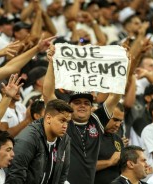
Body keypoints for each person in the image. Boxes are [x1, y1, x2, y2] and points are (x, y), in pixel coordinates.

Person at [42, 45, 123, 184]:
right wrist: (51, 63)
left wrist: (122, 67)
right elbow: (47, 94)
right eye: (77, 102)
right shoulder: (63, 120)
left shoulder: (97, 120)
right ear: (70, 105)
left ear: (92, 107)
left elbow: (115, 96)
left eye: (86, 103)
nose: (82, 106)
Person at [5, 99, 74, 184]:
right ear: (48, 118)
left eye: (67, 122)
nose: (65, 126)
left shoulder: (65, 139)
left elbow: (62, 176)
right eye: (62, 121)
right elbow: (15, 176)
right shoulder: (28, 138)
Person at [95, 103, 125, 184]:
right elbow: (82, 166)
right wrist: (110, 162)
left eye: (120, 121)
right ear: (104, 116)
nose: (118, 125)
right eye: (115, 120)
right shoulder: (91, 136)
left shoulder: (118, 139)